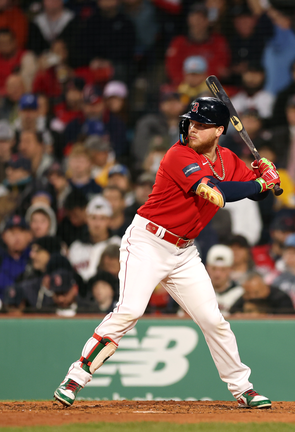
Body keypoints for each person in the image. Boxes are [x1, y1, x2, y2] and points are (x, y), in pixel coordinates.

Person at [53, 97, 279, 409]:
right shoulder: (178, 155)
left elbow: (251, 191)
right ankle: (76, 377)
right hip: (148, 242)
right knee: (129, 311)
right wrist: (261, 184)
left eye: (202, 125)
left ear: (219, 131)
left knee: (214, 320)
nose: (192, 128)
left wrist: (265, 173)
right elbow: (217, 193)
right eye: (192, 121)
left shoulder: (227, 159)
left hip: (184, 252)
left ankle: (243, 388)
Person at [68, 195, 122, 282]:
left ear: (109, 220)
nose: (97, 224)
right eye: (93, 218)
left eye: (102, 219)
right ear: (86, 219)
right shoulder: (76, 247)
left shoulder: (118, 244)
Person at [230, 271, 295, 315]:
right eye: (248, 293)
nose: (253, 296)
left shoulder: (282, 299)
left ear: (265, 287)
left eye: (256, 293)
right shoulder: (247, 297)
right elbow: (233, 312)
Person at [206, 244, 244, 316]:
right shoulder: (199, 291)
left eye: (223, 269)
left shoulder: (239, 293)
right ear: (207, 268)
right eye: (214, 269)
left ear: (230, 269)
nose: (217, 274)